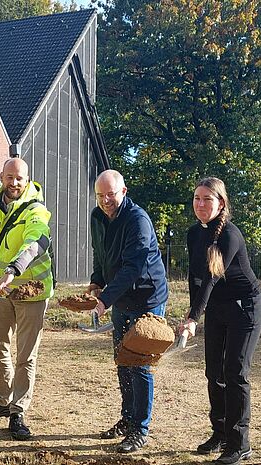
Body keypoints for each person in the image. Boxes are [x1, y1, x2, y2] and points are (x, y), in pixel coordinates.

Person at [177, 177, 261, 465]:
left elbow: (212, 279)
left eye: (207, 199)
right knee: (213, 372)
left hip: (245, 308)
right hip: (216, 308)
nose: (200, 204)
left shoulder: (230, 235)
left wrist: (194, 318)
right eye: (196, 198)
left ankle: (239, 444)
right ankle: (221, 433)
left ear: (221, 203)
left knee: (235, 372)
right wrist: (191, 315)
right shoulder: (194, 234)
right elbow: (195, 278)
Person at [0, 157, 54, 441]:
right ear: (2, 176)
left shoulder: (36, 209)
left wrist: (13, 270)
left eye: (20, 178)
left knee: (25, 356)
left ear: (27, 180)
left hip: (32, 288)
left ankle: (18, 412)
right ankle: (2, 402)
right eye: (10, 177)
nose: (14, 183)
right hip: (1, 289)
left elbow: (36, 242)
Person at [88, 169, 168, 453]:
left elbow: (133, 267)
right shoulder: (98, 217)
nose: (106, 200)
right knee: (123, 361)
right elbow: (101, 252)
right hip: (121, 299)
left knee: (140, 365)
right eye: (101, 195)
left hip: (147, 299)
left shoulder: (138, 221)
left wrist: (104, 300)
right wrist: (97, 282)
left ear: (124, 191)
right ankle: (127, 419)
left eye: (111, 194)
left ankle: (140, 429)